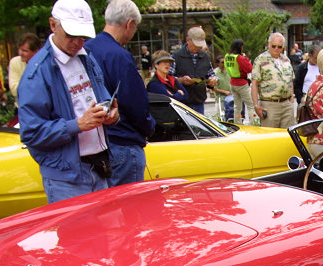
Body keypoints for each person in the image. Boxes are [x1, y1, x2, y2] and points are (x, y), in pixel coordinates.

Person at [18, 0, 119, 204]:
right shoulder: (38, 72)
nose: (77, 42)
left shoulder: (86, 58)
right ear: (53, 25)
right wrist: (78, 125)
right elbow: (31, 133)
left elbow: (104, 99)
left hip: (98, 167)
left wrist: (112, 114)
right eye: (71, 35)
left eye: (82, 36)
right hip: (66, 178)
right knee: (76, 226)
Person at [84, 0, 156, 187]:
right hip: (123, 140)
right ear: (129, 24)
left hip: (95, 143)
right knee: (128, 202)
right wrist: (149, 127)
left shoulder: (86, 50)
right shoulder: (119, 56)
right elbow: (136, 103)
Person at [251, 32, 296, 128]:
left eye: (279, 47)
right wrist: (256, 105)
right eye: (273, 46)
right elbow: (254, 83)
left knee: (287, 134)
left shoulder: (286, 59)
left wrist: (292, 97)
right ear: (268, 45)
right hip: (269, 105)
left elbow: (290, 79)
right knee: (270, 134)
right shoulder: (260, 59)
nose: (276, 48)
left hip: (287, 105)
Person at [170, 26, 217, 115]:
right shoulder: (176, 56)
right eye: (196, 44)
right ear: (188, 40)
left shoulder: (205, 57)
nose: (198, 47)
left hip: (199, 102)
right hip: (181, 103)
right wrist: (181, 80)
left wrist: (213, 80)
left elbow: (211, 73)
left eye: (200, 45)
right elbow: (168, 78)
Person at [224, 39, 255, 124]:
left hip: (232, 82)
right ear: (240, 47)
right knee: (251, 105)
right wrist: (246, 58)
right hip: (242, 83)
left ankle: (237, 122)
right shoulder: (240, 58)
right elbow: (249, 68)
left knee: (237, 106)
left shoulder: (227, 56)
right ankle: (253, 123)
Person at [8, 33, 41, 105]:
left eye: (25, 51)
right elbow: (14, 90)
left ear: (36, 52)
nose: (20, 53)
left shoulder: (44, 63)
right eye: (19, 49)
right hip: (22, 106)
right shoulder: (15, 62)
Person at [213, 55, 234, 121]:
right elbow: (214, 88)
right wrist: (225, 92)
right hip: (221, 98)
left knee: (232, 117)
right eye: (222, 62)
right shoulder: (215, 73)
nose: (224, 63)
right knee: (221, 117)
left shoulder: (229, 71)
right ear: (218, 63)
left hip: (231, 97)